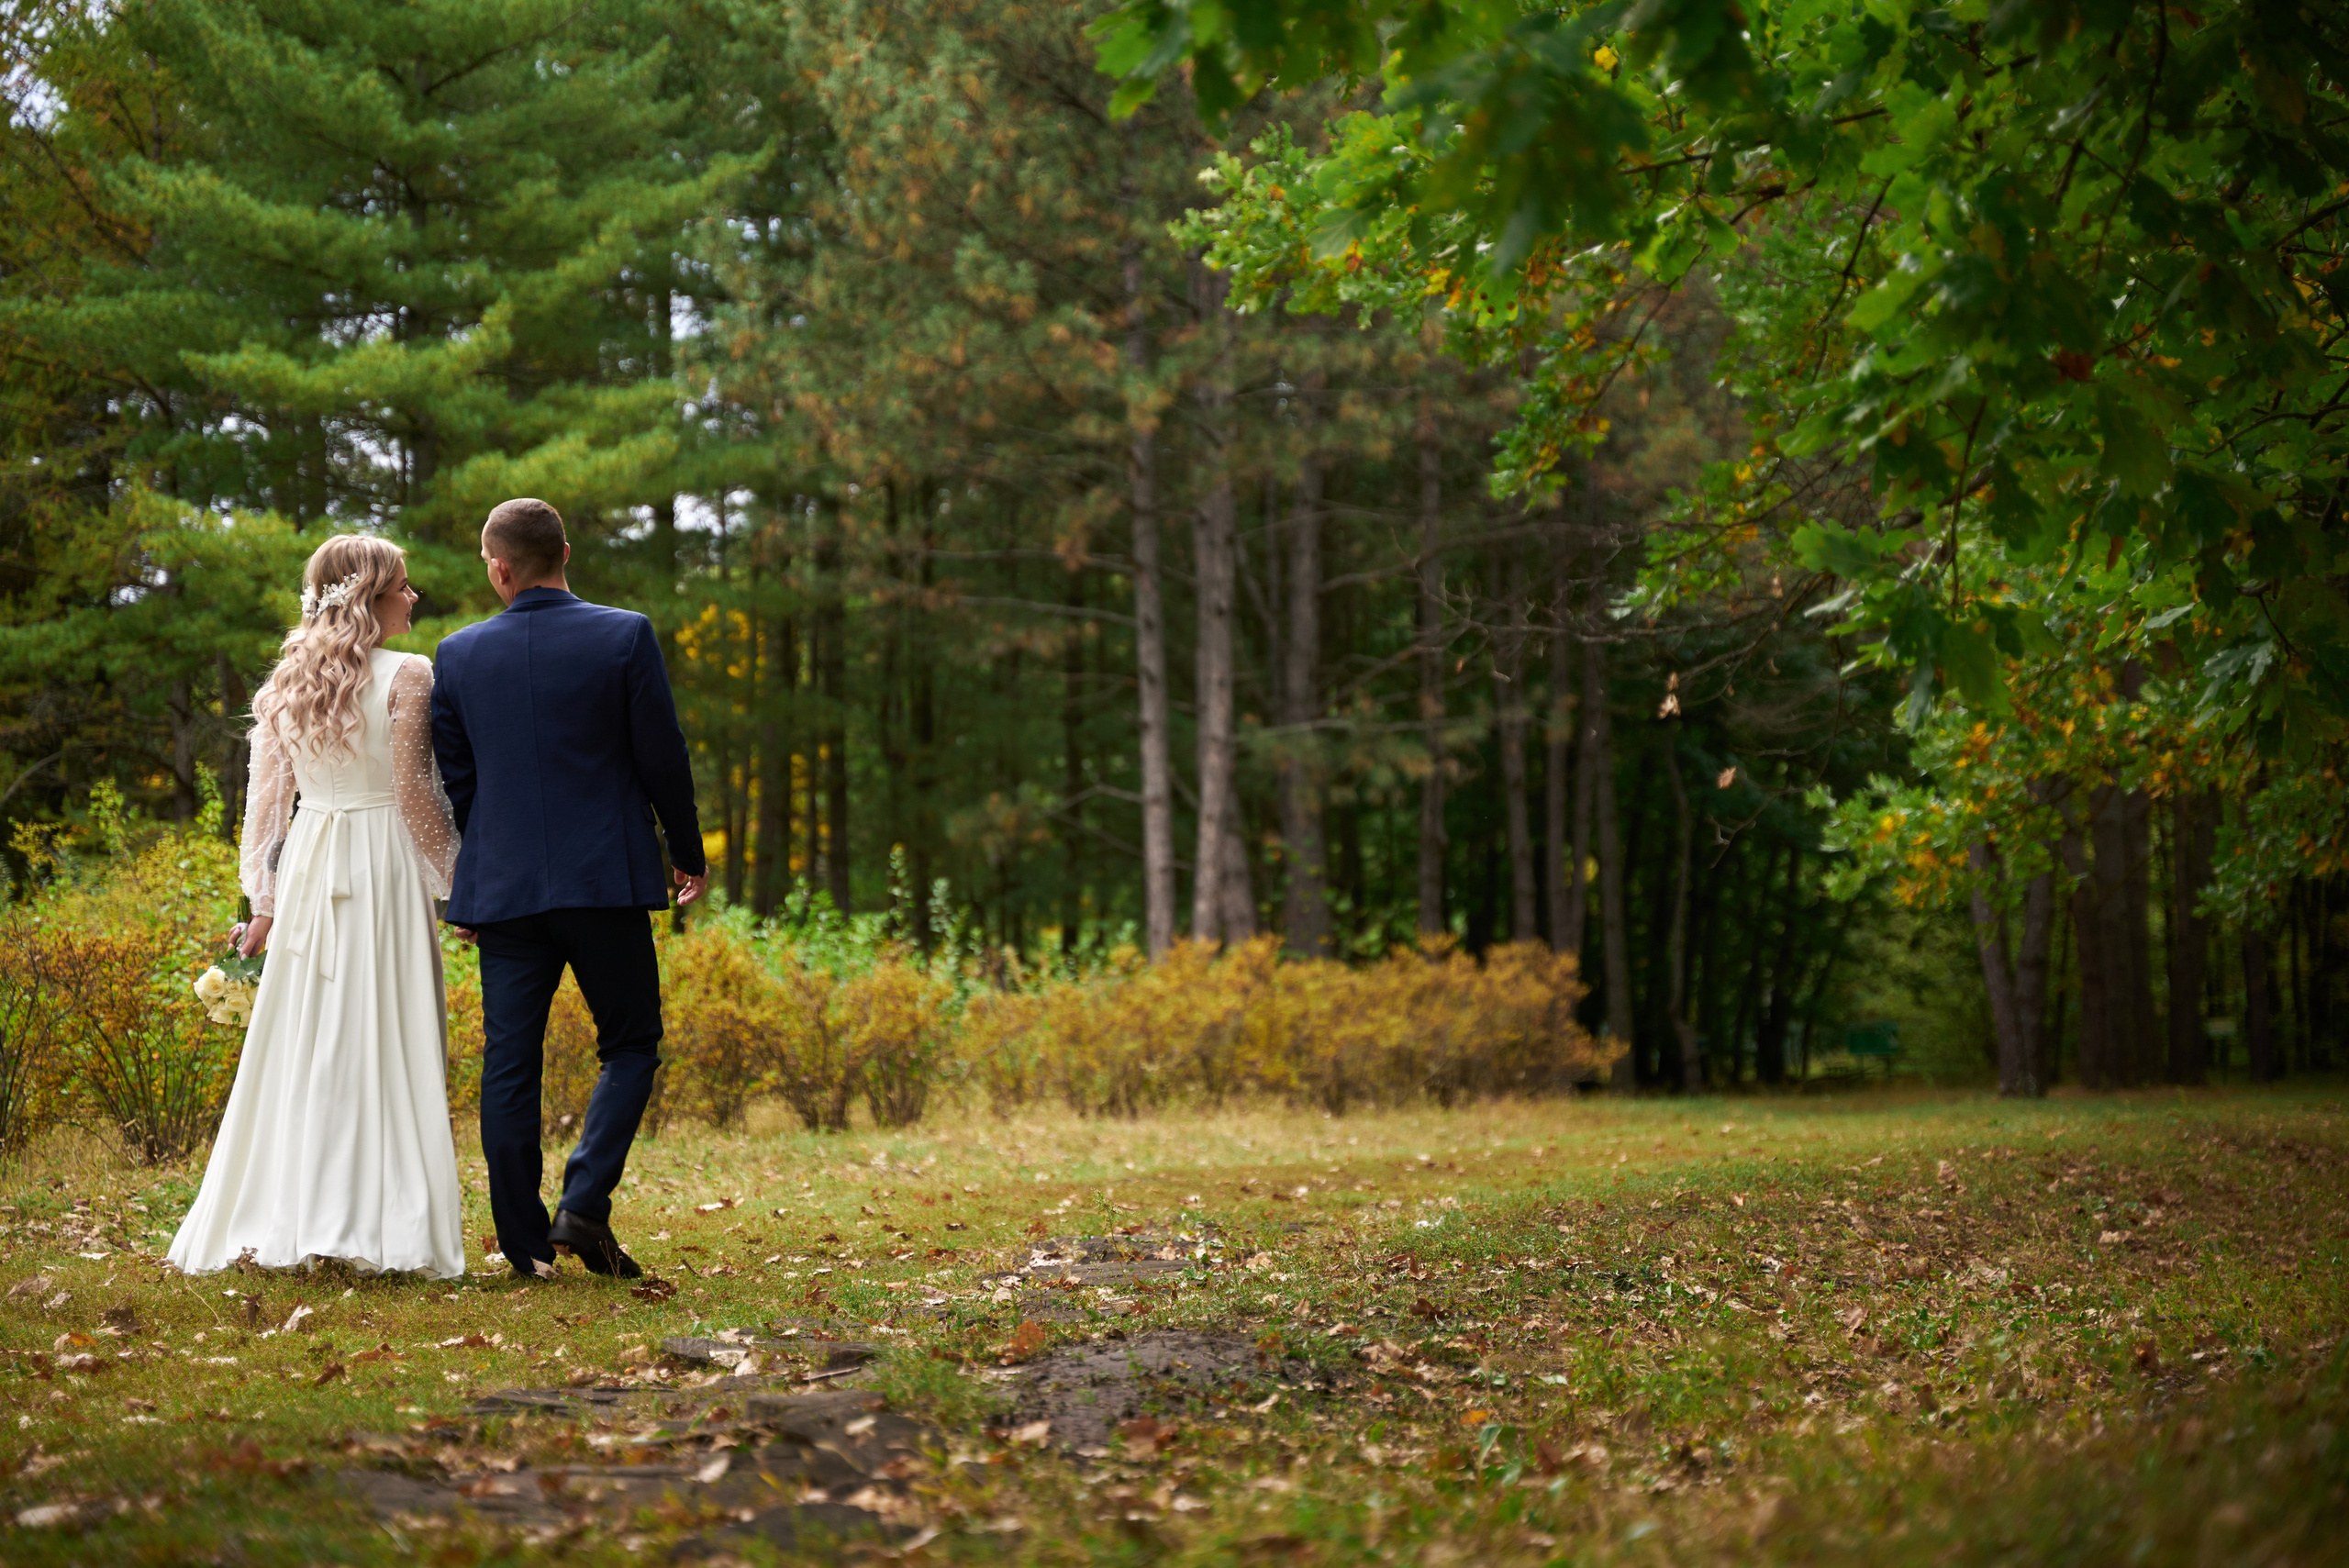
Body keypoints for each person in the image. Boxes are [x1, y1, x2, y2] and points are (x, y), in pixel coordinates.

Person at [168, 535, 466, 1279]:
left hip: (311, 862)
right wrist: (461, 883)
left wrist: (263, 903)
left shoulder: (285, 683)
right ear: (370, 597)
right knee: (383, 1034)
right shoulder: (409, 675)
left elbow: (266, 810)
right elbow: (414, 796)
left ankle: (298, 1211)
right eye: (404, 584)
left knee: (309, 1041)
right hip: (382, 863)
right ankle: (376, 1222)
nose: (414, 596)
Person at [431, 497, 705, 1281]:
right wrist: (687, 854)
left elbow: (461, 786)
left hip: (507, 893)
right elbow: (663, 757)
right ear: (566, 553)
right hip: (605, 882)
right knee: (630, 1044)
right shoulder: (624, 634)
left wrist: (478, 883)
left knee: (509, 1063)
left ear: (501, 567)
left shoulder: (458, 655)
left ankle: (524, 1245)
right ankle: (583, 1203)